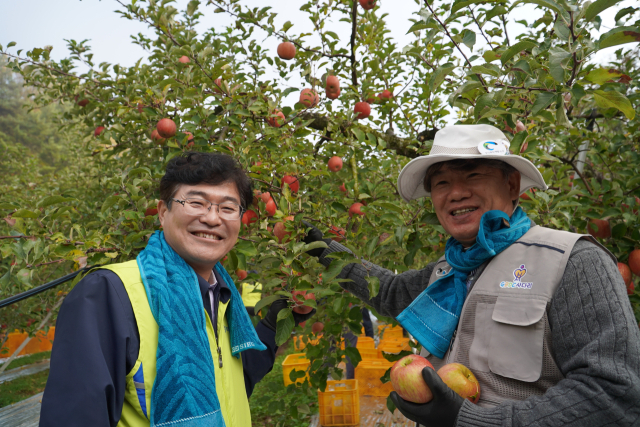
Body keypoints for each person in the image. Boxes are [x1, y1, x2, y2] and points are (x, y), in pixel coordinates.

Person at [304, 125, 640, 426]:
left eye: (473, 176)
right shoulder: (447, 271)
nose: (456, 192)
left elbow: (615, 396)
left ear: (512, 185)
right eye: (442, 183)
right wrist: (327, 252)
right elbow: (389, 291)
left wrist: (470, 420)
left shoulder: (574, 262)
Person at [40, 152, 314, 427]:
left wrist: (280, 318)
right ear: (162, 212)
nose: (212, 218)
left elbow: (232, 385)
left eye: (228, 208)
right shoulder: (107, 294)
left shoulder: (220, 296)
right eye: (196, 202)